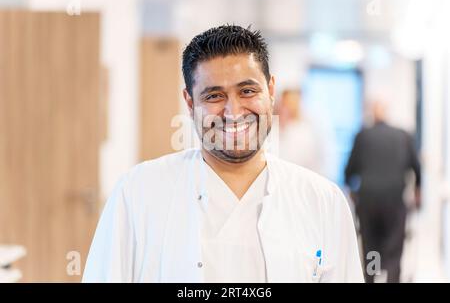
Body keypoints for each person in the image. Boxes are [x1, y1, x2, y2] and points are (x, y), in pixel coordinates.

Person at [83, 25, 363, 282]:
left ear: (271, 91)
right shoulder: (137, 194)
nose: (233, 112)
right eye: (214, 96)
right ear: (190, 103)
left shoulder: (323, 202)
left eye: (247, 91)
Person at [345, 99, 421, 283]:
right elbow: (416, 168)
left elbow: (349, 170)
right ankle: (392, 280)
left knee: (371, 246)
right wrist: (418, 190)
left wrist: (353, 193)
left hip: (368, 201)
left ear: (372, 113)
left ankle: (370, 279)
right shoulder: (403, 136)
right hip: (394, 201)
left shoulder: (363, 136)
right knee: (394, 248)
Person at [276, 88, 337, 180]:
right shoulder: (277, 127)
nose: (289, 106)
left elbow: (321, 157)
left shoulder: (310, 127)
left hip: (307, 178)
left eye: (293, 101)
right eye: (286, 102)